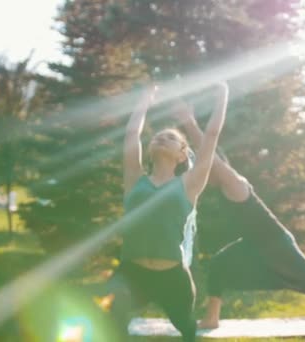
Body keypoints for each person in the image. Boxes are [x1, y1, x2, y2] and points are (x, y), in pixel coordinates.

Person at [173, 107, 305, 330]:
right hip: (254, 245)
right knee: (219, 265)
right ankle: (212, 317)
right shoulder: (224, 188)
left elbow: (210, 154)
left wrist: (189, 123)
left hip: (276, 243)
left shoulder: (234, 183)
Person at [104, 82, 229, 341]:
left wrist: (222, 94)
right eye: (158, 136)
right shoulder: (135, 179)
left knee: (186, 327)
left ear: (183, 155)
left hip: (172, 277)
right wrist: (144, 101)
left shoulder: (190, 184)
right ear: (149, 149)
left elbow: (212, 135)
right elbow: (131, 135)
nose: (162, 137)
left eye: (172, 137)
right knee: (114, 313)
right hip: (132, 273)